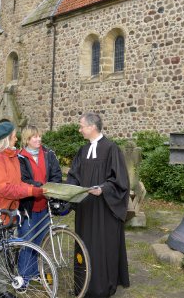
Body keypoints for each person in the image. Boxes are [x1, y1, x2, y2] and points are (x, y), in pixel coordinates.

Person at [67, 112, 130, 298]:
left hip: (105, 210)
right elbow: (74, 176)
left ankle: (103, 286)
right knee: (85, 245)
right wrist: (66, 192)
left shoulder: (111, 149)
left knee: (103, 247)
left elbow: (120, 181)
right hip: (86, 210)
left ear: (92, 127)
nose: (80, 130)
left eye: (82, 126)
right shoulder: (82, 151)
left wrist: (103, 189)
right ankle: (83, 285)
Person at [0, 121, 45, 249]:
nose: (16, 138)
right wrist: (31, 191)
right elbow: (3, 188)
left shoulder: (12, 157)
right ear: (6, 139)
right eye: (14, 136)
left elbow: (16, 183)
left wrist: (33, 189)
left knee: (5, 255)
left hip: (8, 212)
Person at [16, 125, 63, 276]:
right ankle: (23, 277)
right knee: (28, 242)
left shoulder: (48, 154)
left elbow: (56, 174)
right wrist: (41, 188)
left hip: (44, 206)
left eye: (39, 136)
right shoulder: (20, 157)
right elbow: (23, 179)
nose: (38, 139)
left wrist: (52, 187)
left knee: (40, 242)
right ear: (27, 139)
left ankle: (34, 273)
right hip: (27, 207)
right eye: (34, 137)